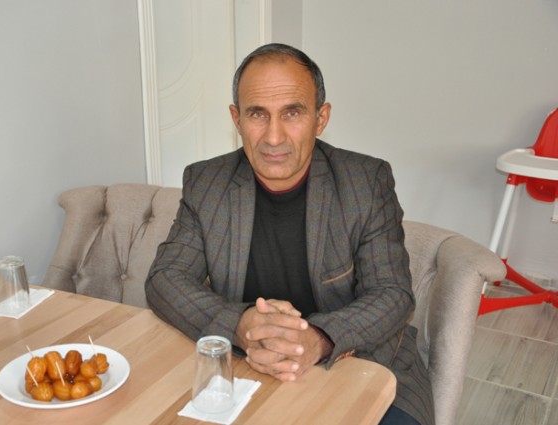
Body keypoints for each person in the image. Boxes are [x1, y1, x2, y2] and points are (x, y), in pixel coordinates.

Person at [145, 43, 434, 425]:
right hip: (249, 367)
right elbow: (166, 277)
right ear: (236, 119)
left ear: (320, 118)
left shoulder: (366, 181)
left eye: (292, 113)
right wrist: (240, 324)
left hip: (359, 365)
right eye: (257, 114)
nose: (273, 137)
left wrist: (318, 337)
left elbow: (392, 293)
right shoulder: (206, 182)